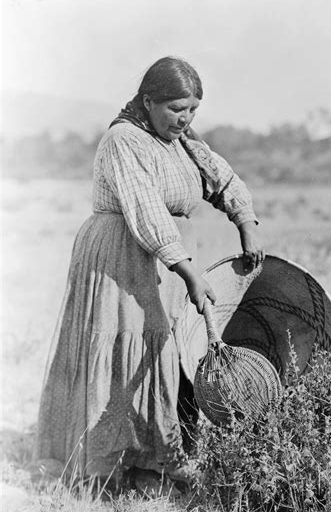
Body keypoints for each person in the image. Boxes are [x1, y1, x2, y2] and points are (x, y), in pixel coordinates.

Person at [35, 56, 264, 490]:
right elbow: (146, 210)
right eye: (177, 108)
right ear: (148, 101)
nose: (186, 118)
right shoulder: (125, 139)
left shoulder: (182, 142)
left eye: (193, 109)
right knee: (123, 345)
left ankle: (150, 459)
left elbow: (223, 179)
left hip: (164, 258)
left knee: (161, 349)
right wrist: (190, 273)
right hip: (121, 253)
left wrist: (246, 224)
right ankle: (105, 468)